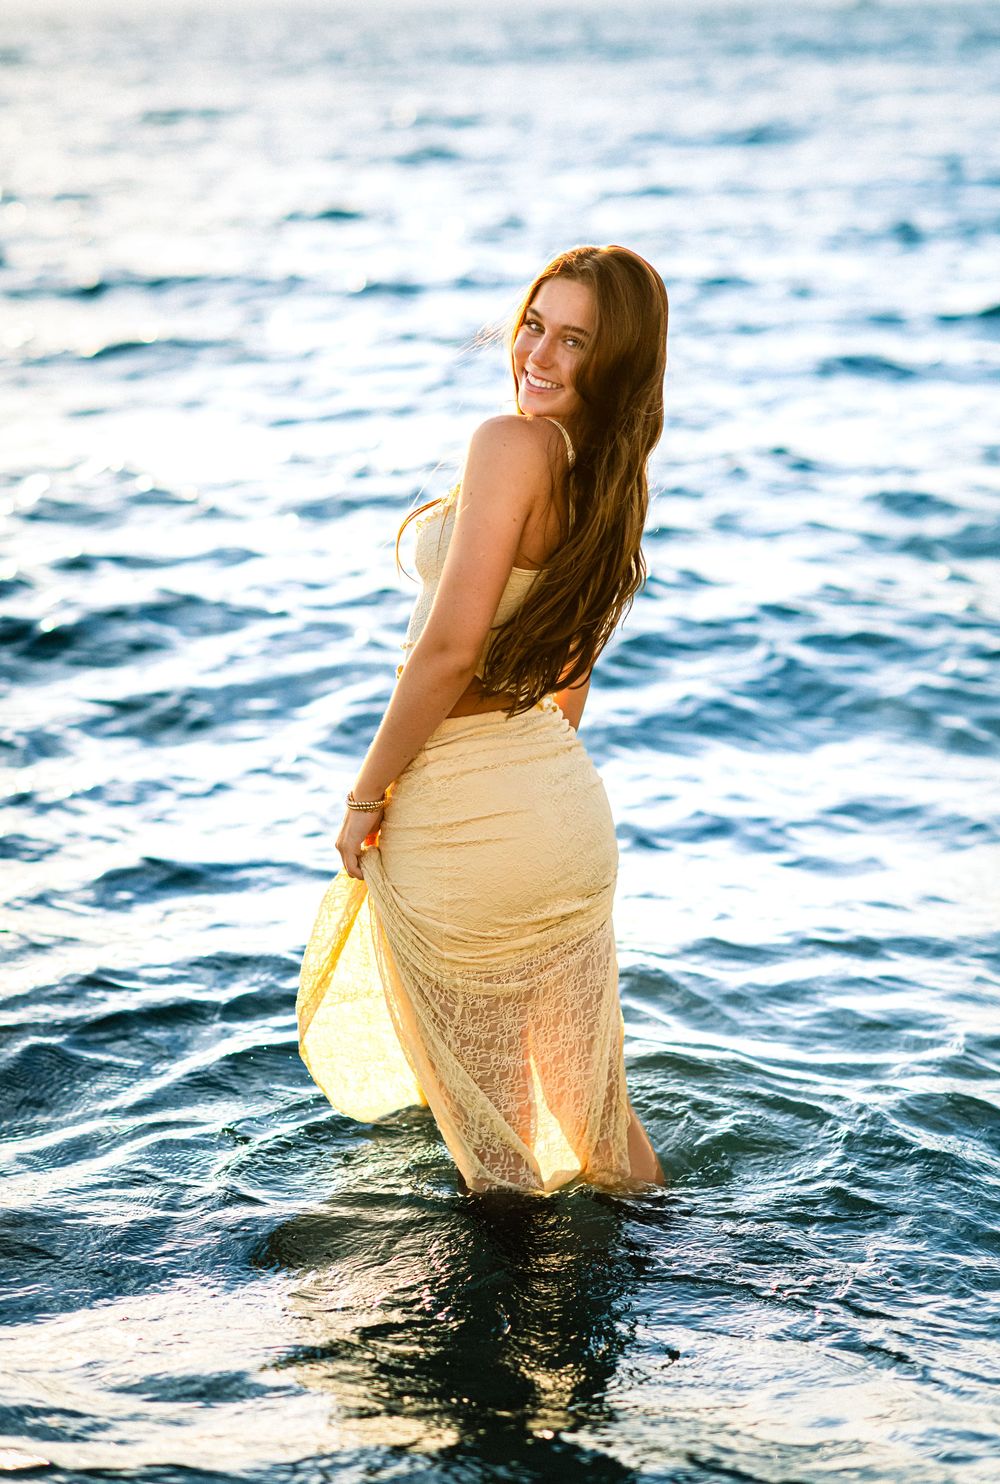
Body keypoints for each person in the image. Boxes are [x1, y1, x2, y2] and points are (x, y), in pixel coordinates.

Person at [297, 243, 668, 1195]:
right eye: (534, 325)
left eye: (573, 340)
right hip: (560, 808)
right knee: (597, 1119)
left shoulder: (511, 445)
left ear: (614, 359)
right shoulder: (610, 474)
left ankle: (528, 1334)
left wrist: (364, 795)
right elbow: (569, 675)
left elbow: (449, 649)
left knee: (501, 1157)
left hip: (472, 822)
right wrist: (529, 796)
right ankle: (710, 1290)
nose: (537, 355)